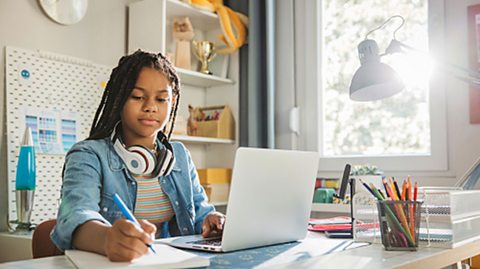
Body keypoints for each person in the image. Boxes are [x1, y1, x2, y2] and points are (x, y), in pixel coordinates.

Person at [51, 50, 225, 261]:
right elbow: (76, 216)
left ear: (173, 101)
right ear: (119, 98)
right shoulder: (88, 155)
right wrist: (107, 239)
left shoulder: (179, 155)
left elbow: (198, 212)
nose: (151, 107)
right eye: (138, 97)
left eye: (161, 99)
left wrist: (211, 220)